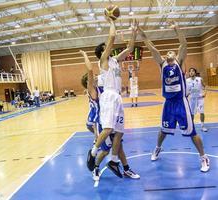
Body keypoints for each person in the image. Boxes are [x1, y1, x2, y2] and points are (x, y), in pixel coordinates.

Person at [138, 21, 209, 172]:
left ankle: (203, 157)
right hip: (168, 103)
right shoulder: (162, 64)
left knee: (192, 132)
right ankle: (157, 148)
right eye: (168, 52)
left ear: (176, 55)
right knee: (163, 130)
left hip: (181, 102)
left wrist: (177, 28)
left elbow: (184, 44)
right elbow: (152, 47)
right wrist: (141, 32)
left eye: (172, 52)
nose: (169, 53)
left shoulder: (180, 62)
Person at [87, 18, 138, 178]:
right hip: (108, 96)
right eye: (105, 48)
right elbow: (112, 38)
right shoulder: (103, 61)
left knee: (120, 131)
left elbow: (130, 48)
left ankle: (114, 161)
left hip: (117, 97)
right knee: (108, 129)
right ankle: (93, 152)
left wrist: (134, 32)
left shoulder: (115, 61)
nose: (109, 48)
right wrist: (112, 21)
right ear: (102, 52)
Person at [80, 50, 140, 181]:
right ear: (89, 81)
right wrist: (85, 55)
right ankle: (95, 167)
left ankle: (126, 169)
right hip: (101, 122)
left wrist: (122, 89)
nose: (96, 76)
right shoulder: (92, 89)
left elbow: (113, 81)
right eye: (93, 77)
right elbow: (90, 70)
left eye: (96, 76)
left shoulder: (104, 87)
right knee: (106, 150)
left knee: (119, 146)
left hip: (109, 118)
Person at [186, 68, 208, 132]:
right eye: (190, 71)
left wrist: (205, 93)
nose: (191, 72)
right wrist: (186, 94)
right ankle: (191, 126)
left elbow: (205, 86)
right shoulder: (187, 81)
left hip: (200, 98)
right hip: (192, 99)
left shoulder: (199, 79)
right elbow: (187, 90)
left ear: (195, 72)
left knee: (201, 112)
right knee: (192, 114)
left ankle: (202, 126)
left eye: (192, 71)